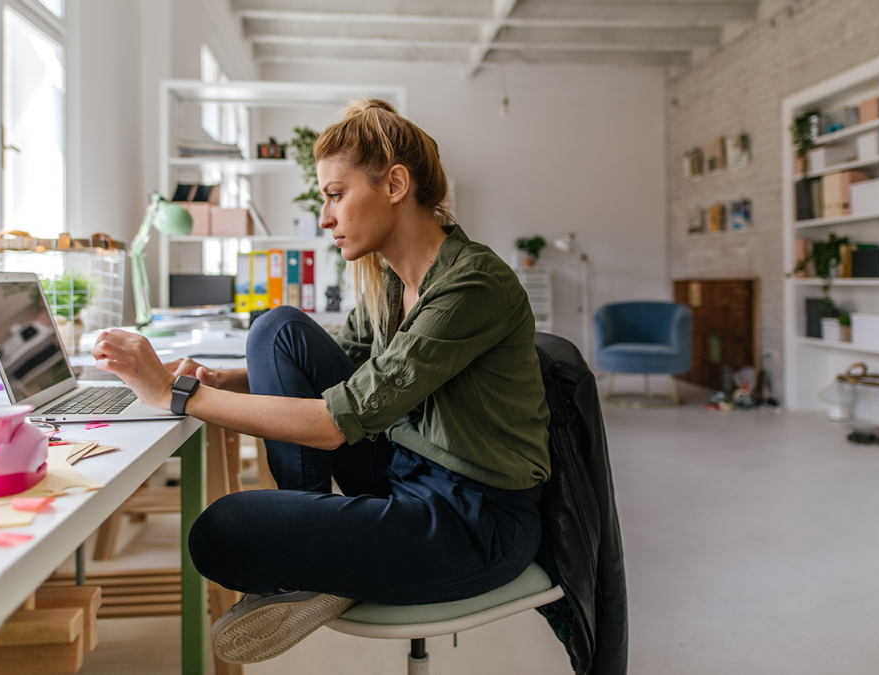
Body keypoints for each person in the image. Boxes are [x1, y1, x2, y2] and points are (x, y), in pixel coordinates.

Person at [91, 99, 551, 665]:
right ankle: (319, 560)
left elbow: (339, 420)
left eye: (335, 195)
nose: (326, 217)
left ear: (395, 185)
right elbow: (351, 367)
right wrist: (222, 380)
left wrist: (175, 394)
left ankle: (319, 559)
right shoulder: (390, 279)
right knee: (275, 328)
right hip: (401, 472)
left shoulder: (473, 284)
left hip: (474, 520)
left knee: (221, 532)